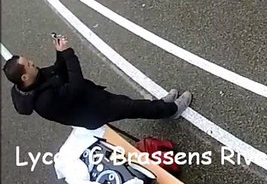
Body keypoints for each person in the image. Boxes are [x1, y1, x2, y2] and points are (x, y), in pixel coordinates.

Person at [6, 35, 192, 128]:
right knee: (132, 107)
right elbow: (75, 87)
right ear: (24, 77)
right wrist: (68, 54)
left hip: (92, 98)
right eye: (28, 64)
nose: (33, 62)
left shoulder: (35, 79)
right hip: (93, 112)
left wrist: (60, 52)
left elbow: (58, 70)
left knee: (127, 102)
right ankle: (172, 110)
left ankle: (162, 106)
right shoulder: (43, 101)